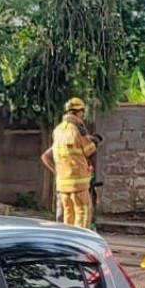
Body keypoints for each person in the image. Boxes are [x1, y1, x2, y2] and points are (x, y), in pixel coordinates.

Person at [41, 97, 98, 228]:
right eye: (82, 112)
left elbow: (56, 153)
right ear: (79, 112)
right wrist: (92, 141)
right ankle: (80, 243)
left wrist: (57, 172)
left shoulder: (58, 130)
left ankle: (67, 242)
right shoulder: (78, 129)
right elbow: (89, 150)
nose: (83, 115)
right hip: (78, 182)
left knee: (68, 215)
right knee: (82, 213)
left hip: (62, 182)